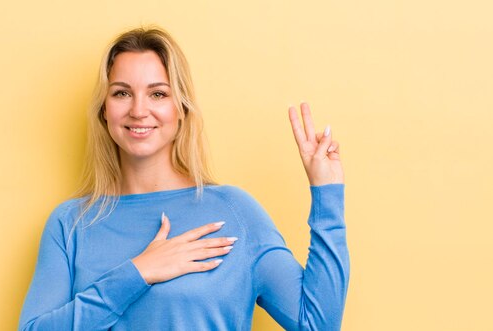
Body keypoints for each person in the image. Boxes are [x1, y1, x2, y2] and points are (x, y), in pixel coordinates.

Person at [18, 26, 349, 331]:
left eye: (158, 94)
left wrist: (327, 194)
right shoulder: (70, 223)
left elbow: (316, 324)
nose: (138, 110)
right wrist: (138, 272)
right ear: (104, 110)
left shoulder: (236, 212)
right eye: (121, 93)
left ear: (181, 108)